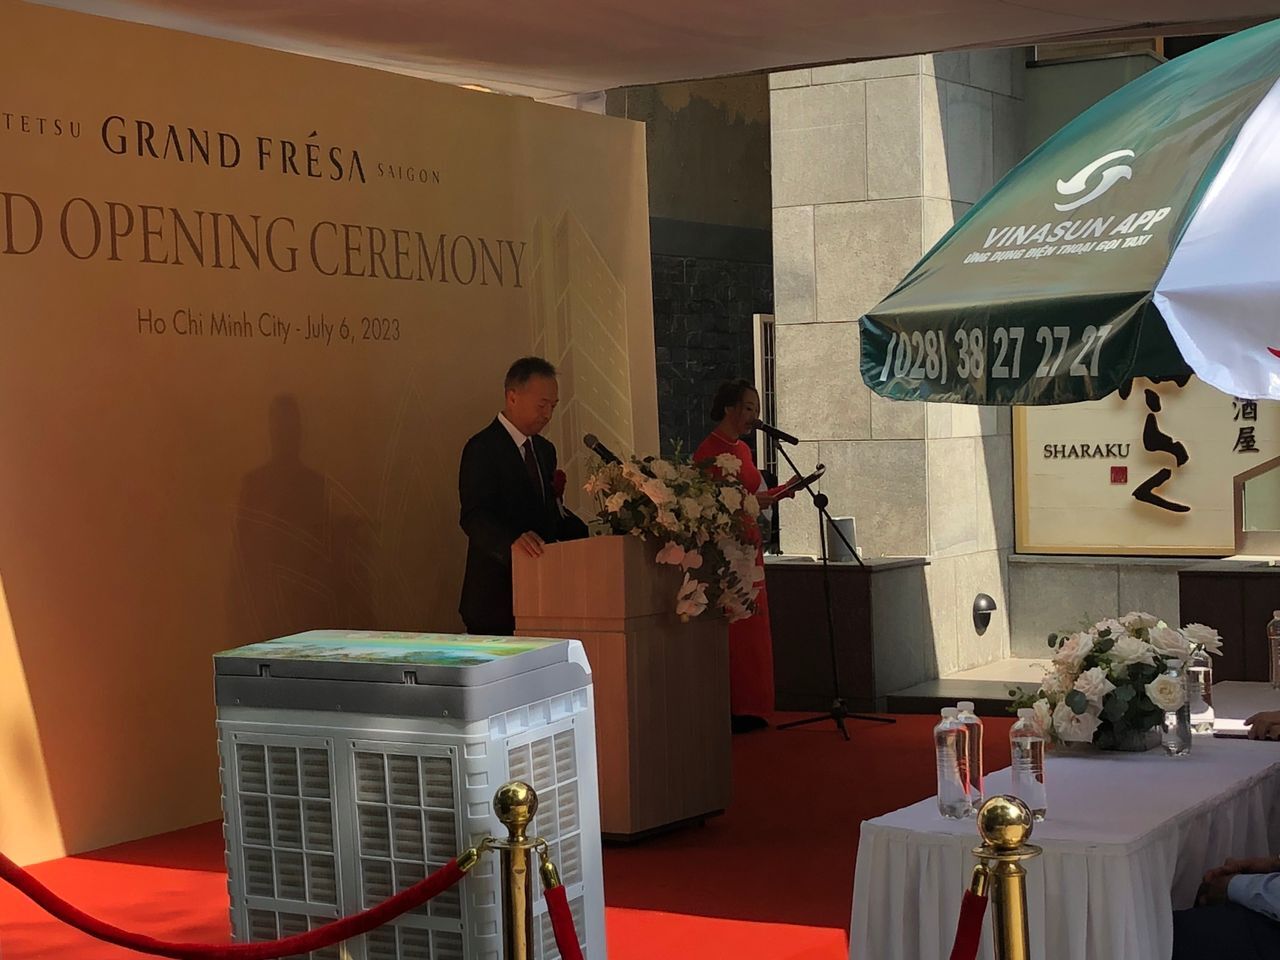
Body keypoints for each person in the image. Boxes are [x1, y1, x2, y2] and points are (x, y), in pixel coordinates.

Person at [458, 357, 588, 635]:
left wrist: (594, 534)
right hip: (496, 595)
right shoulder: (482, 448)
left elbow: (550, 513)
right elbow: (474, 516)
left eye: (553, 406)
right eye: (542, 405)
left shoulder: (544, 450)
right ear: (512, 397)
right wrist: (512, 542)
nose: (548, 414)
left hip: (544, 592)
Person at [694, 379, 795, 734]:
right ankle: (736, 706)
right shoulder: (709, 450)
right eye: (749, 408)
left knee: (754, 624)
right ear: (729, 408)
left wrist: (780, 492)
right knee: (736, 626)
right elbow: (707, 505)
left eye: (757, 409)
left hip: (750, 545)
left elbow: (751, 496)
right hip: (727, 548)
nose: (754, 415)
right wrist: (753, 503)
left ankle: (755, 703)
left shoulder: (743, 450)